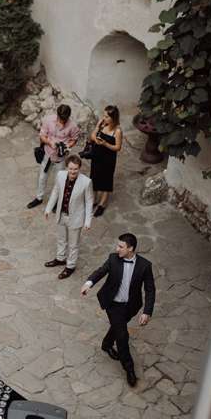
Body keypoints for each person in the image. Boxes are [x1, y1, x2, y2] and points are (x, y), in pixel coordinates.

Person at [81, 233, 156, 387]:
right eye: (117, 246)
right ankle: (129, 369)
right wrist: (89, 284)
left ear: (131, 248)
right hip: (113, 304)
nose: (117, 249)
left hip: (131, 306)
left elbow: (150, 290)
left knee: (117, 327)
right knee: (122, 336)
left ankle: (107, 344)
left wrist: (147, 311)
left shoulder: (144, 265)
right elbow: (101, 271)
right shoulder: (113, 259)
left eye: (121, 246)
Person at [44, 154, 93, 279]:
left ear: (79, 168)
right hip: (61, 214)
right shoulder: (60, 175)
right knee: (61, 239)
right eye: (70, 168)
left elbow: (89, 202)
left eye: (75, 169)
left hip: (76, 217)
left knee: (73, 244)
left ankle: (70, 266)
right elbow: (56, 191)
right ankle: (60, 258)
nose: (73, 171)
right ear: (66, 167)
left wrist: (88, 221)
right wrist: (48, 208)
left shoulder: (86, 182)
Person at [27, 103, 80, 208]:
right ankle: (39, 198)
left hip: (61, 158)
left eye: (64, 120)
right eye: (60, 119)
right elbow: (42, 135)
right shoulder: (48, 120)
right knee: (42, 177)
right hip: (48, 154)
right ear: (57, 115)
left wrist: (67, 146)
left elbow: (74, 139)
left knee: (59, 180)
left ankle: (56, 201)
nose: (62, 122)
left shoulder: (73, 126)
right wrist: (50, 142)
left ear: (68, 117)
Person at [89, 104, 123, 216]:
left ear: (113, 118)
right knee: (94, 178)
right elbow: (92, 136)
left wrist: (105, 144)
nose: (104, 118)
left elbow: (118, 147)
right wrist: (97, 128)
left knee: (106, 181)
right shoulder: (103, 125)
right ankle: (93, 200)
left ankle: (102, 204)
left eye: (107, 117)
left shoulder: (117, 131)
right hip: (97, 156)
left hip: (108, 159)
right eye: (103, 115)